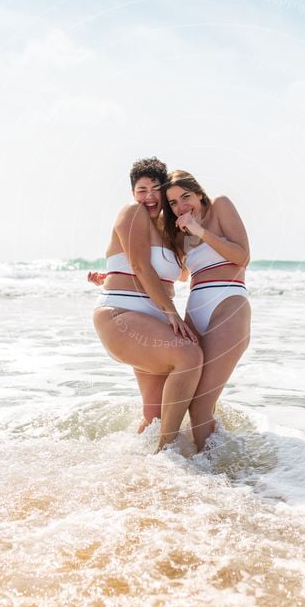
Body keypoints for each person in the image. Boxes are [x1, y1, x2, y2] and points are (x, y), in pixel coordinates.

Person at [91, 158, 203, 451]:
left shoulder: (167, 232)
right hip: (121, 316)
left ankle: (138, 465)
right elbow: (140, 266)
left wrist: (190, 228)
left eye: (156, 189)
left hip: (149, 323)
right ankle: (168, 451)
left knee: (153, 416)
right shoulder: (131, 212)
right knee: (189, 356)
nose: (149, 197)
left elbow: (179, 274)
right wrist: (170, 312)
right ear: (132, 193)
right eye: (142, 189)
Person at [162, 171, 251, 451]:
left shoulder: (220, 207)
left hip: (228, 303)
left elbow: (242, 256)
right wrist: (113, 276)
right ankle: (204, 463)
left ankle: (217, 480)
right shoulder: (182, 234)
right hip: (195, 308)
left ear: (199, 193)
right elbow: (175, 273)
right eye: (173, 203)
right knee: (188, 402)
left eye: (185, 196)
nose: (181, 206)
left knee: (201, 406)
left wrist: (199, 231)